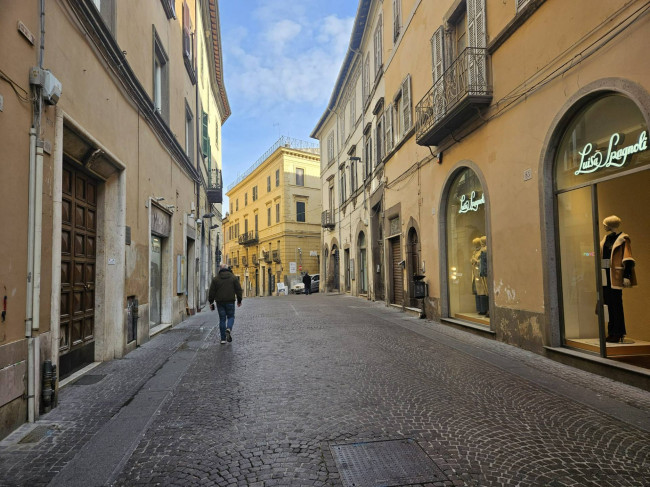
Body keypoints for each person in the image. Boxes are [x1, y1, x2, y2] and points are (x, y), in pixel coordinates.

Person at [600, 215, 636, 343]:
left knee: (616, 305)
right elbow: (602, 256)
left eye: (605, 224)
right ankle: (611, 331)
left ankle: (619, 332)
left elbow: (628, 258)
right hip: (605, 276)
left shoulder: (623, 239)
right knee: (608, 305)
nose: (604, 226)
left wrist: (626, 276)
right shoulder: (606, 239)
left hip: (616, 276)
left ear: (610, 225)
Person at [208, 264, 243, 344]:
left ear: (220, 269)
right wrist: (239, 300)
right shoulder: (233, 278)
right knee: (231, 317)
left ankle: (223, 339)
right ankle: (228, 328)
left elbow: (212, 291)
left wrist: (211, 302)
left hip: (220, 302)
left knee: (222, 319)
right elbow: (238, 289)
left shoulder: (216, 279)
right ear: (228, 269)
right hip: (230, 301)